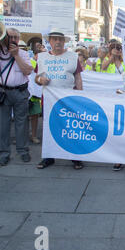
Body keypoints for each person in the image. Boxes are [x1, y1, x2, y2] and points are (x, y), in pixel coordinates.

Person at [34, 28, 84, 170]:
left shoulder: (72, 57)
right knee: (49, 127)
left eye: (60, 39)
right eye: (54, 39)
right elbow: (36, 77)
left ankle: (75, 157)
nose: (57, 42)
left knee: (71, 127)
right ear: (49, 41)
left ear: (64, 42)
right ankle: (49, 156)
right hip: (49, 99)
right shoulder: (42, 57)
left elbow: (78, 77)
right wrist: (40, 79)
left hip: (69, 98)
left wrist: (80, 96)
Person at [0, 28, 33, 166]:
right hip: (3, 92)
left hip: (20, 92)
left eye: (15, 38)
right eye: (10, 37)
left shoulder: (23, 53)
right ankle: (4, 153)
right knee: (3, 125)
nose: (13, 40)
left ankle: (23, 151)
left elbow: (27, 71)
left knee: (22, 123)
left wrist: (16, 55)